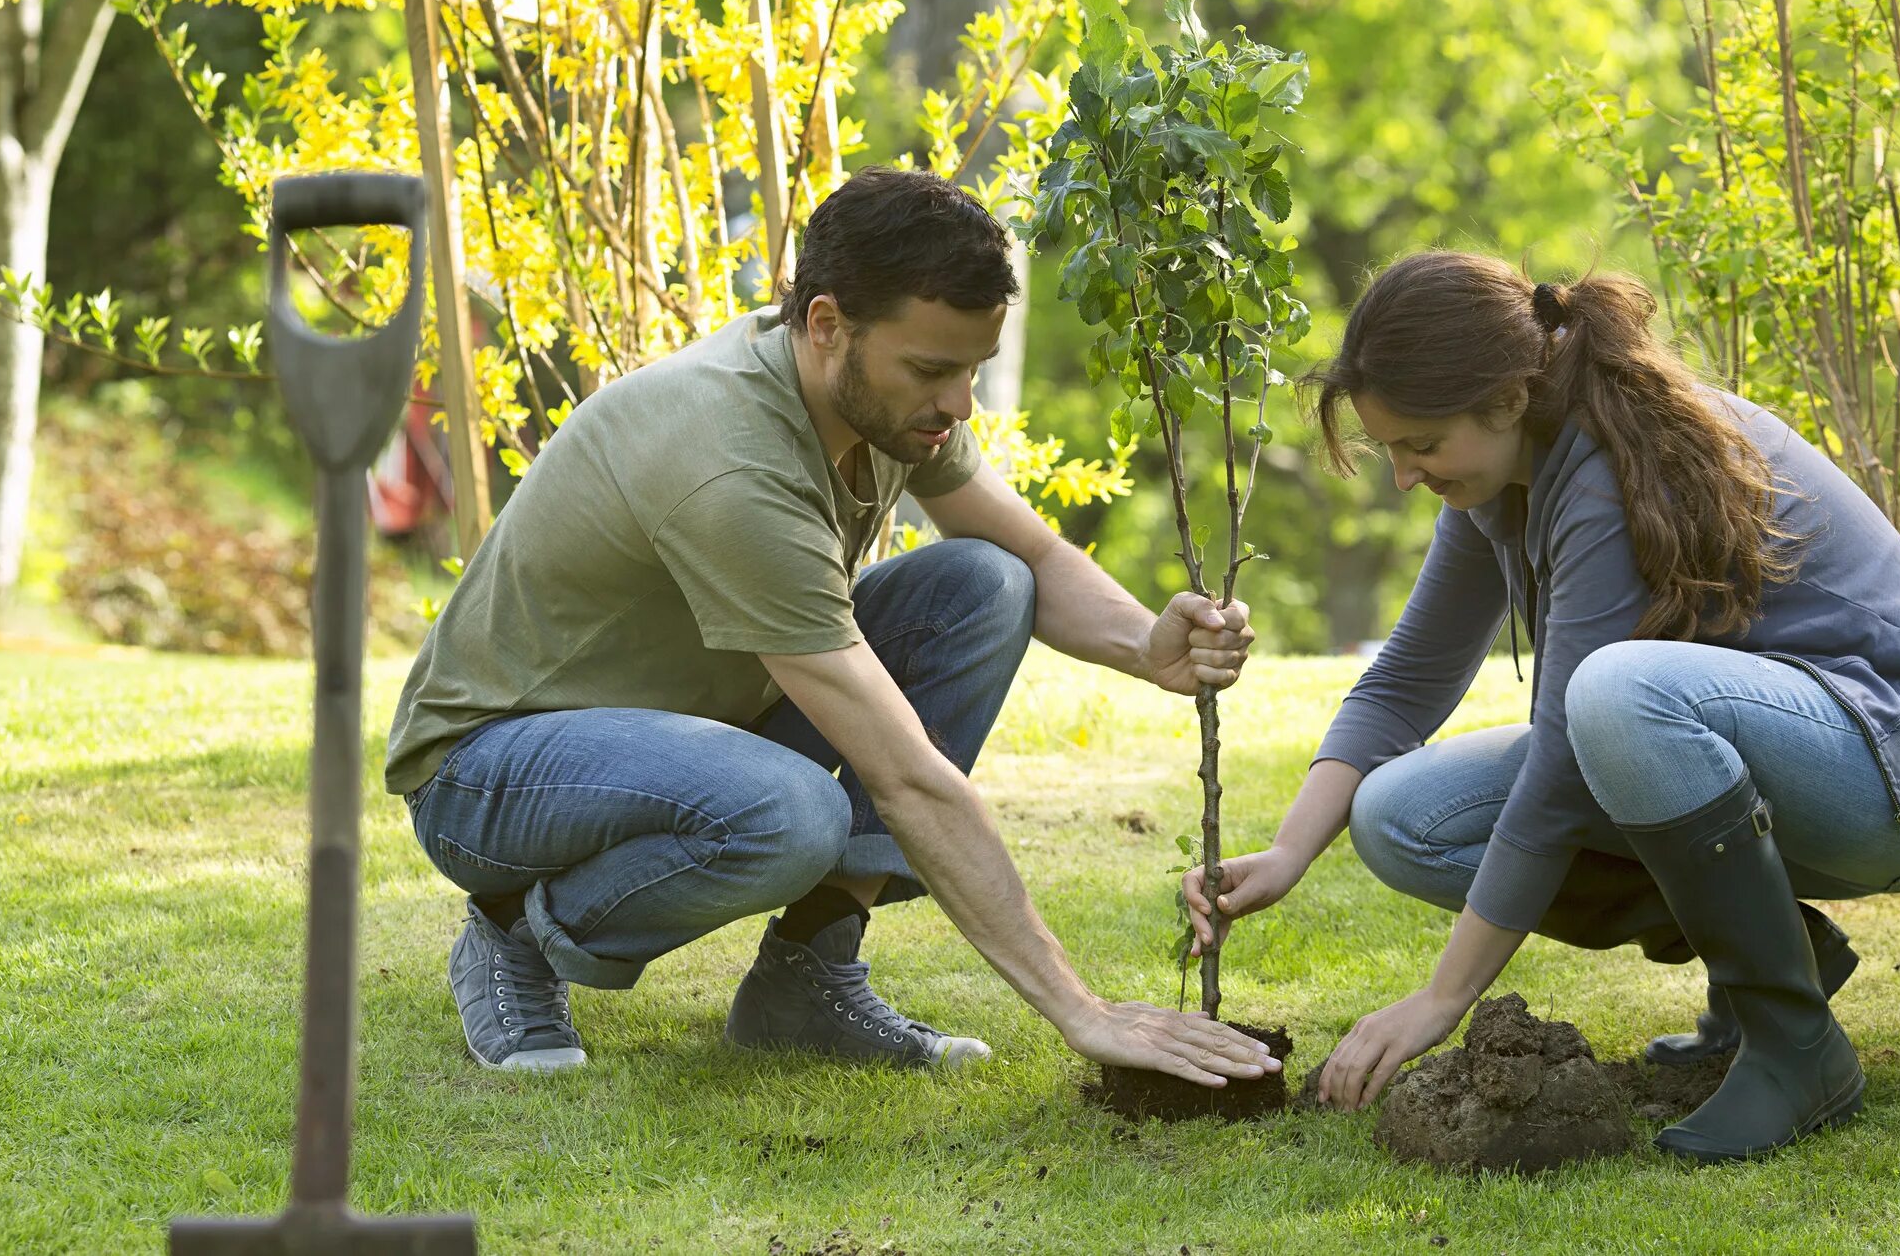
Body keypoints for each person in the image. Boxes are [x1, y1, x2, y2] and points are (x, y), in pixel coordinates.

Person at [390, 167, 1278, 1094]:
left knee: (982, 583)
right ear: (825, 326)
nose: (958, 405)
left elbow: (1038, 559)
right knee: (789, 815)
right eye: (933, 371)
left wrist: (1145, 645)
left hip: (689, 740)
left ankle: (808, 976)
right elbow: (905, 778)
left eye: (969, 369)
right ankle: (514, 928)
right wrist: (1080, 1010)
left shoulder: (887, 408)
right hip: (490, 776)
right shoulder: (729, 462)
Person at [1183, 250, 1900, 1162]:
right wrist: (1291, 850)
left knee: (1618, 694)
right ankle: (1775, 965)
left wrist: (1441, 997)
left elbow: (1560, 768)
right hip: (1787, 747)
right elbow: (1405, 678)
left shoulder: (1609, 470)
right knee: (1398, 817)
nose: (1401, 475)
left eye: (1420, 445)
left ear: (1508, 398)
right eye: (1391, 447)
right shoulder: (1503, 479)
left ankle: (1796, 1048)